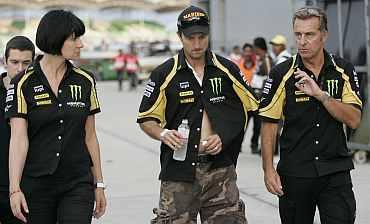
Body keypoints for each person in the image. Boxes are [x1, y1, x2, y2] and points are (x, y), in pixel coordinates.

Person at [137, 5, 258, 224]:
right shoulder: (165, 73)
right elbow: (146, 118)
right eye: (190, 37)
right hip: (179, 173)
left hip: (220, 169)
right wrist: (163, 134)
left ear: (208, 35)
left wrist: (223, 135)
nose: (196, 44)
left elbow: (248, 107)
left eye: (201, 37)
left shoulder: (227, 69)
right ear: (179, 36)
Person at [259, 7, 361, 224]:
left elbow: (353, 118)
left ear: (324, 35)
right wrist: (268, 170)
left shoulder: (343, 70)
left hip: (335, 171)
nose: (302, 41)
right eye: (298, 34)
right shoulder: (281, 74)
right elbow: (269, 123)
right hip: (295, 173)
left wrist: (322, 96)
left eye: (310, 34)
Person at [5, 10, 106, 223]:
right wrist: (15, 189)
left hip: (77, 183)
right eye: (74, 38)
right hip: (36, 185)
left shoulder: (85, 81)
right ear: (55, 39)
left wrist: (99, 184)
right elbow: (18, 139)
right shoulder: (22, 83)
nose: (80, 44)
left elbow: (90, 136)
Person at [0, 36, 35, 224]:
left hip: (27, 187)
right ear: (5, 61)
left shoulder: (39, 95)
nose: (20, 69)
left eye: (26, 63)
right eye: (14, 62)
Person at [249, 37, 273, 153]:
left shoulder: (267, 59)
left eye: (254, 47)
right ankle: (257, 145)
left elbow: (270, 76)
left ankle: (261, 147)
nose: (253, 50)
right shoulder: (261, 59)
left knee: (260, 123)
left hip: (263, 96)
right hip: (257, 94)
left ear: (259, 48)